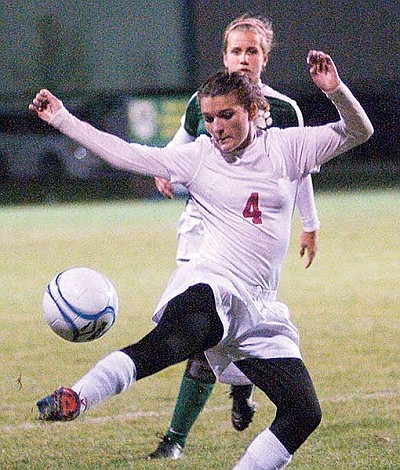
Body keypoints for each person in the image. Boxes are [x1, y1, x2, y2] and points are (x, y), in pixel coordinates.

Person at [29, 50, 373, 469]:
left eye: (225, 116)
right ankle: (78, 396)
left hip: (259, 308)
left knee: (303, 412)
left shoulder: (287, 148)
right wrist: (63, 118)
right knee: (174, 340)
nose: (215, 128)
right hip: (213, 283)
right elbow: (126, 153)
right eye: (208, 119)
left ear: (254, 109)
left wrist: (335, 91)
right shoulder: (199, 158)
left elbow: (359, 130)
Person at [150, 14, 321, 459]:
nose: (243, 59)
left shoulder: (284, 111)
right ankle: (177, 438)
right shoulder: (201, 102)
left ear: (265, 58)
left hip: (255, 235)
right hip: (204, 228)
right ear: (224, 56)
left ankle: (194, 422)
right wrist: (164, 170)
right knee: (200, 324)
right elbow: (177, 146)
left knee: (221, 329)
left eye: (252, 51)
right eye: (235, 51)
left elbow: (299, 172)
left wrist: (310, 222)